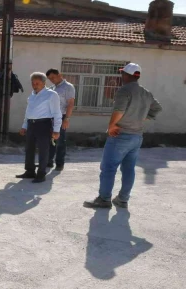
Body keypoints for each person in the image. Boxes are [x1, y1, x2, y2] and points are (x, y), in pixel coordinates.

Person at [84, 63, 162, 209]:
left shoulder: (124, 90)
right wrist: (143, 117)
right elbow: (157, 108)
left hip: (121, 135)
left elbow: (119, 110)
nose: (121, 76)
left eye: (122, 73)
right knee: (128, 169)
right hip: (137, 136)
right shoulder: (145, 92)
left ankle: (104, 199)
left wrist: (112, 126)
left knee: (108, 168)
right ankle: (123, 199)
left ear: (126, 75)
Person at [16, 72, 63, 183]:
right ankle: (30, 171)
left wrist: (57, 130)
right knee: (29, 148)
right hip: (31, 124)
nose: (35, 85)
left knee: (43, 149)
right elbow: (28, 112)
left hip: (44, 124)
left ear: (44, 83)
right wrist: (24, 126)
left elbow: (57, 113)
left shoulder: (51, 95)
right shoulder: (32, 95)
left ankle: (41, 173)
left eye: (37, 83)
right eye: (33, 83)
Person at [46, 69, 75, 171]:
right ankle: (48, 161)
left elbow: (70, 104)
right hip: (51, 117)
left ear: (60, 75)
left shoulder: (68, 87)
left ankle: (59, 163)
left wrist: (67, 118)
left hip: (62, 116)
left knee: (60, 141)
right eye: (50, 79)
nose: (52, 80)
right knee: (50, 140)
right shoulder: (52, 88)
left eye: (53, 77)